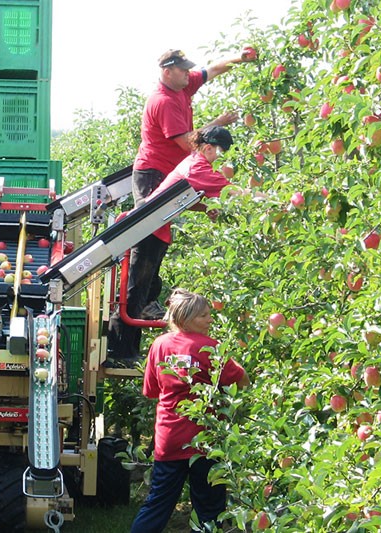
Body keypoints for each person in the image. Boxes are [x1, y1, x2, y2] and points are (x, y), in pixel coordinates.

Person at [133, 48, 255, 320]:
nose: (189, 74)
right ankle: (137, 307)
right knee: (147, 239)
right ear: (167, 72)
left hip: (171, 174)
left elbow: (213, 69)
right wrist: (217, 124)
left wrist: (240, 57)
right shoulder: (163, 101)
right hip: (153, 172)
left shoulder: (184, 87)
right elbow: (188, 142)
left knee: (156, 242)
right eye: (183, 70)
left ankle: (145, 301)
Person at [106, 126, 240, 368]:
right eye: (220, 153)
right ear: (208, 148)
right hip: (149, 229)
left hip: (156, 228)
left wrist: (203, 208)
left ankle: (126, 351)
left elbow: (180, 200)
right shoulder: (198, 167)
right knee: (135, 293)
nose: (220, 159)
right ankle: (120, 352)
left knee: (143, 291)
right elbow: (234, 193)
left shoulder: (191, 162)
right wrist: (271, 199)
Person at [130, 288, 250, 533]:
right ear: (184, 318)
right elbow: (242, 380)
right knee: (210, 508)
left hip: (169, 438)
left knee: (158, 504)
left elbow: (152, 390)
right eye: (203, 316)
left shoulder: (159, 345)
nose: (210, 320)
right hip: (205, 439)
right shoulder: (211, 347)